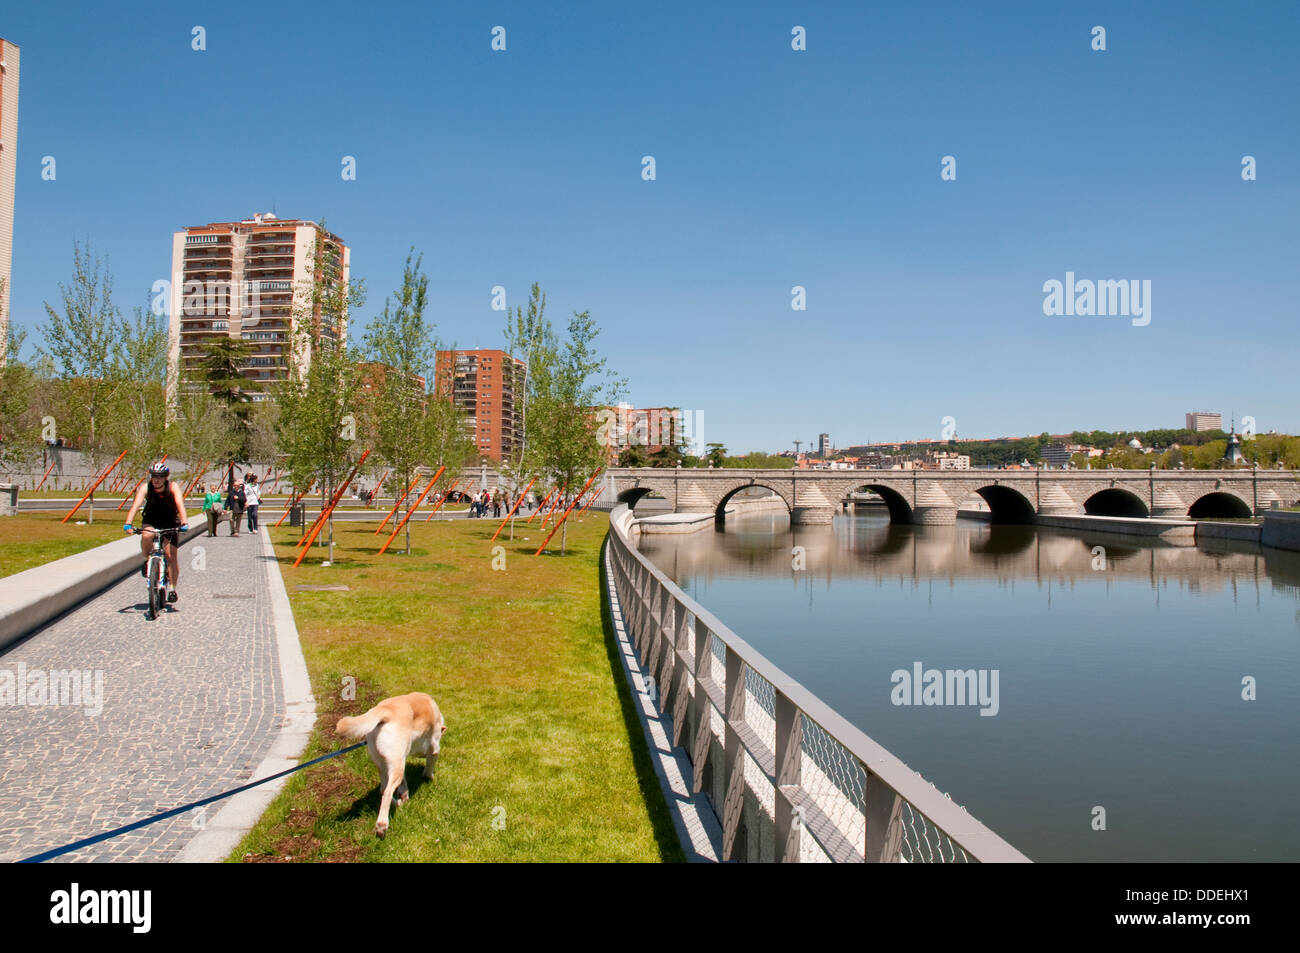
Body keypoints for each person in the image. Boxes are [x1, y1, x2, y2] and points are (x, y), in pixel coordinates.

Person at [123, 462, 189, 603]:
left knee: (171, 555)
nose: (156, 480)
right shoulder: (146, 488)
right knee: (146, 535)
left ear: (165, 477)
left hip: (170, 521)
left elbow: (180, 505)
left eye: (159, 477)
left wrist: (184, 522)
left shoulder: (173, 487)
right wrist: (128, 523)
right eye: (154, 476)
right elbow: (136, 505)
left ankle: (172, 588)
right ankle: (148, 561)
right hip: (151, 519)